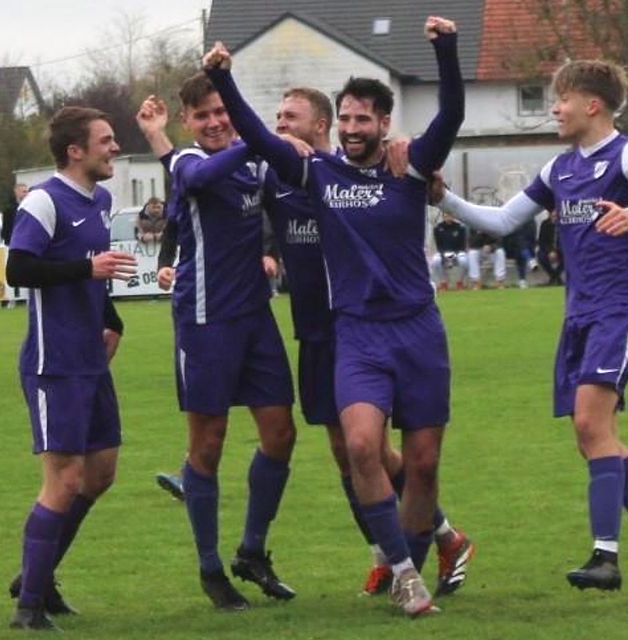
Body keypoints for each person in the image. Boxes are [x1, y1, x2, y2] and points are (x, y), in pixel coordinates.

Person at [138, 87, 475, 599]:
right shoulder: (278, 174)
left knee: (370, 449)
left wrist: (425, 173)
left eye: (287, 117)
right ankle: (410, 549)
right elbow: (197, 186)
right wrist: (160, 137)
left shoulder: (352, 171)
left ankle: (415, 547)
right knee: (351, 451)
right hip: (315, 330)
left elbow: (406, 172)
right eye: (272, 117)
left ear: (322, 125)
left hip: (363, 326)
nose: (276, 125)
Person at [202, 14, 463, 617]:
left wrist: (446, 51)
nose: (350, 129)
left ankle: (416, 563)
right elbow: (256, 136)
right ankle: (402, 572)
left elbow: (450, 114)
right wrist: (225, 78)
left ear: (384, 125)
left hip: (419, 331)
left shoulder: (410, 167)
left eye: (361, 120)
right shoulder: (317, 172)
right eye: (343, 119)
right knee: (363, 446)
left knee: (422, 465)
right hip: (358, 334)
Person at [430, 59, 628, 609]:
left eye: (560, 100)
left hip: (620, 307)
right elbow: (505, 221)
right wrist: (443, 200)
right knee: (594, 438)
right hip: (578, 314)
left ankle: (606, 556)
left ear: (592, 105)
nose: (553, 109)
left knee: (589, 423)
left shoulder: (627, 153)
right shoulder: (559, 169)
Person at [142, 72, 298, 612]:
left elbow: (294, 191)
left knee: (281, 433)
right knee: (207, 444)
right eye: (202, 115)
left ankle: (252, 550)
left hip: (256, 317)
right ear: (189, 122)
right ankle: (211, 570)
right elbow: (206, 178)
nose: (213, 121)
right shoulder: (187, 163)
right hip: (205, 320)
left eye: (219, 111)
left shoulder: (256, 161)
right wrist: (258, 139)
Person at [3, 106, 139, 631]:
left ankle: (35, 576)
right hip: (52, 362)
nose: (113, 148)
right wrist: (86, 268)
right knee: (64, 479)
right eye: (105, 141)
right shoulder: (43, 200)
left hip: (90, 360)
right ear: (75, 151)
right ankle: (29, 607)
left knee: (100, 473)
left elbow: (96, 276)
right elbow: (19, 267)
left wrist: (111, 318)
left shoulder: (100, 200)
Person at [431, 212, 469, 290]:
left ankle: (460, 281)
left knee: (464, 261)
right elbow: (439, 245)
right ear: (443, 217)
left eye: (450, 216)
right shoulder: (438, 228)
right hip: (443, 252)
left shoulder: (460, 228)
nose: (448, 218)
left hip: (458, 252)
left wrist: (451, 256)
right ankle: (443, 282)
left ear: (453, 216)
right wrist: (445, 255)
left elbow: (462, 245)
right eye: (446, 216)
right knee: (436, 261)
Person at [537, 211, 564, 285]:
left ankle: (555, 276)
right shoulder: (545, 224)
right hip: (548, 250)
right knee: (540, 256)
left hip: (561, 249)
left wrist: (557, 251)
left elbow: (565, 240)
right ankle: (554, 276)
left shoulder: (563, 224)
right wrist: (550, 251)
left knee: (567, 256)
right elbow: (542, 241)